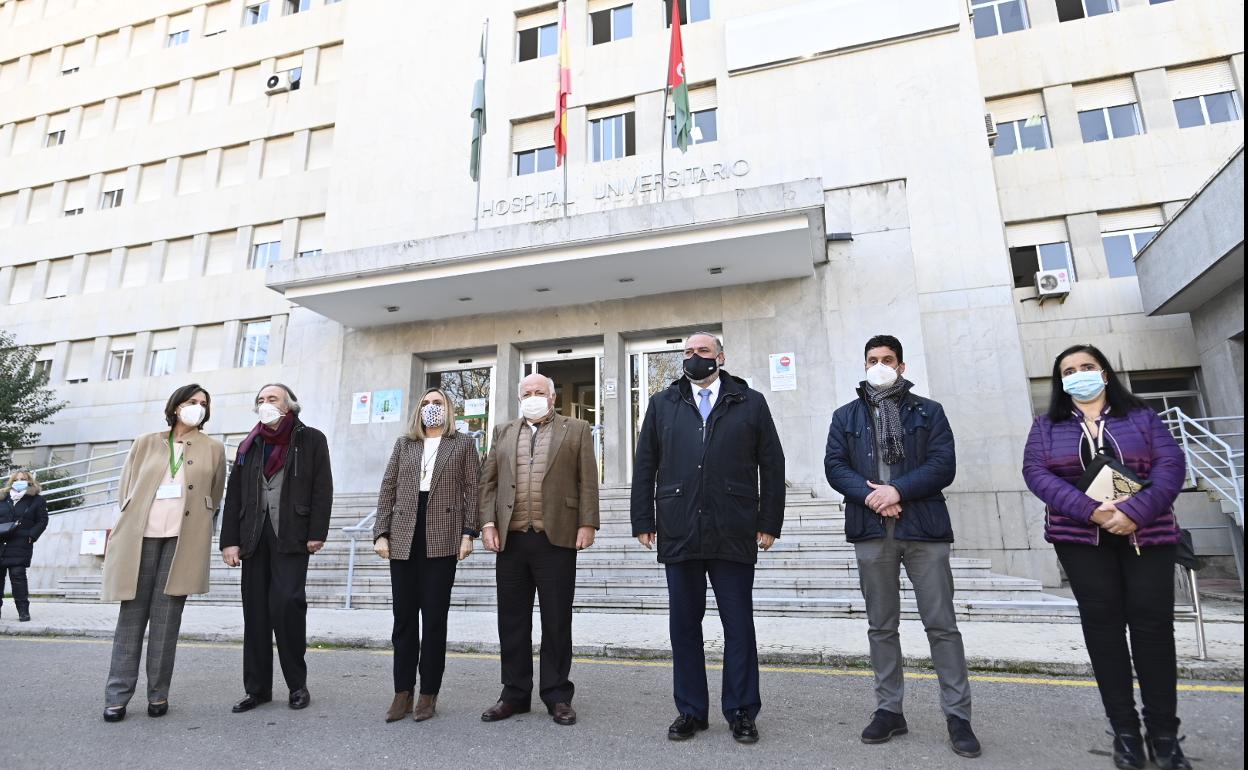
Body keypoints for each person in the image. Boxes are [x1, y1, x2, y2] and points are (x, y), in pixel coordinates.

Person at [1023, 344, 1189, 770]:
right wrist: (1091, 511)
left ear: (1105, 372)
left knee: (1153, 632)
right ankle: (1126, 733)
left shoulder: (1143, 418)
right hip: (1081, 542)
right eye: (1069, 370)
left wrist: (1133, 512)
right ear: (1061, 382)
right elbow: (1037, 475)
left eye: (1087, 367)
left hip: (1147, 537)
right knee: (1105, 633)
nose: (1079, 374)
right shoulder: (1046, 426)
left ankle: (1165, 736)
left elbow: (1170, 467)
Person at [823, 335, 981, 759]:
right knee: (881, 626)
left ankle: (958, 716)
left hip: (923, 530)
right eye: (872, 359)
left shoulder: (929, 412)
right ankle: (889, 709)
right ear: (864, 365)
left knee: (941, 625)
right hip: (872, 530)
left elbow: (942, 465)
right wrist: (873, 495)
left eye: (887, 359)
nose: (879, 365)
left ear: (902, 366)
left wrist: (898, 491)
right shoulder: (846, 416)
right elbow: (835, 467)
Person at [631, 331, 785, 745]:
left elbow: (771, 463)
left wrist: (769, 521)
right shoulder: (663, 403)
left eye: (702, 351)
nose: (693, 357)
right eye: (687, 352)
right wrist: (643, 517)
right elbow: (646, 463)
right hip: (679, 527)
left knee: (739, 626)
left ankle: (740, 711)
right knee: (684, 625)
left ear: (720, 356)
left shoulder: (748, 401)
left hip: (732, 526)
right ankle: (691, 711)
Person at [478, 372, 599, 726]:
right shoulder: (502, 431)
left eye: (539, 392)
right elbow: (488, 482)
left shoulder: (576, 429)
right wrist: (487, 524)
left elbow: (587, 479)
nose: (533, 396)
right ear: (520, 399)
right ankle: (514, 694)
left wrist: (587, 522)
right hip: (511, 539)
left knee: (557, 620)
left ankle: (557, 695)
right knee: (511, 621)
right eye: (527, 392)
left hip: (556, 538)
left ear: (552, 397)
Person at [100, 384, 226, 722]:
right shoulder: (146, 442)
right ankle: (117, 696)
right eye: (191, 401)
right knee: (131, 618)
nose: (197, 407)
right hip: (141, 539)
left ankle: (158, 694)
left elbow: (214, 494)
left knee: (167, 622)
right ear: (175, 406)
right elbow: (127, 488)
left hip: (182, 541)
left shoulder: (214, 448)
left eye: (203, 403)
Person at [220, 383, 333, 714]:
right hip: (253, 536)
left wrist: (317, 532)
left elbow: (322, 487)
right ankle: (257, 689)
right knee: (255, 612)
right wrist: (229, 540)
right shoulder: (249, 444)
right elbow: (235, 494)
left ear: (290, 406)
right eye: (260, 400)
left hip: (292, 535)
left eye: (272, 399)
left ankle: (297, 685)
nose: (265, 404)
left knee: (287, 606)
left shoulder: (311, 439)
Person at [373, 388, 481, 723]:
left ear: (448, 409)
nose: (431, 408)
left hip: (443, 536)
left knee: (433, 619)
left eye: (437, 403)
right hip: (404, 533)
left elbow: (472, 489)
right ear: (417, 410)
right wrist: (381, 531)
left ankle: (428, 694)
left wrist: (468, 533)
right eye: (425, 403)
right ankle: (402, 692)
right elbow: (388, 486)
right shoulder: (404, 444)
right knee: (403, 619)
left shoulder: (462, 444)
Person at [1, 470, 49, 623]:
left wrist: (31, 536)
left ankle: (23, 611)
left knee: (18, 577)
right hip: (1, 542)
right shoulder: (2, 497)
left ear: (30, 481)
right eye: (17, 479)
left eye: (23, 479)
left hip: (20, 543)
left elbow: (42, 520)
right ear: (11, 481)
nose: (19, 481)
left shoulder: (37, 500)